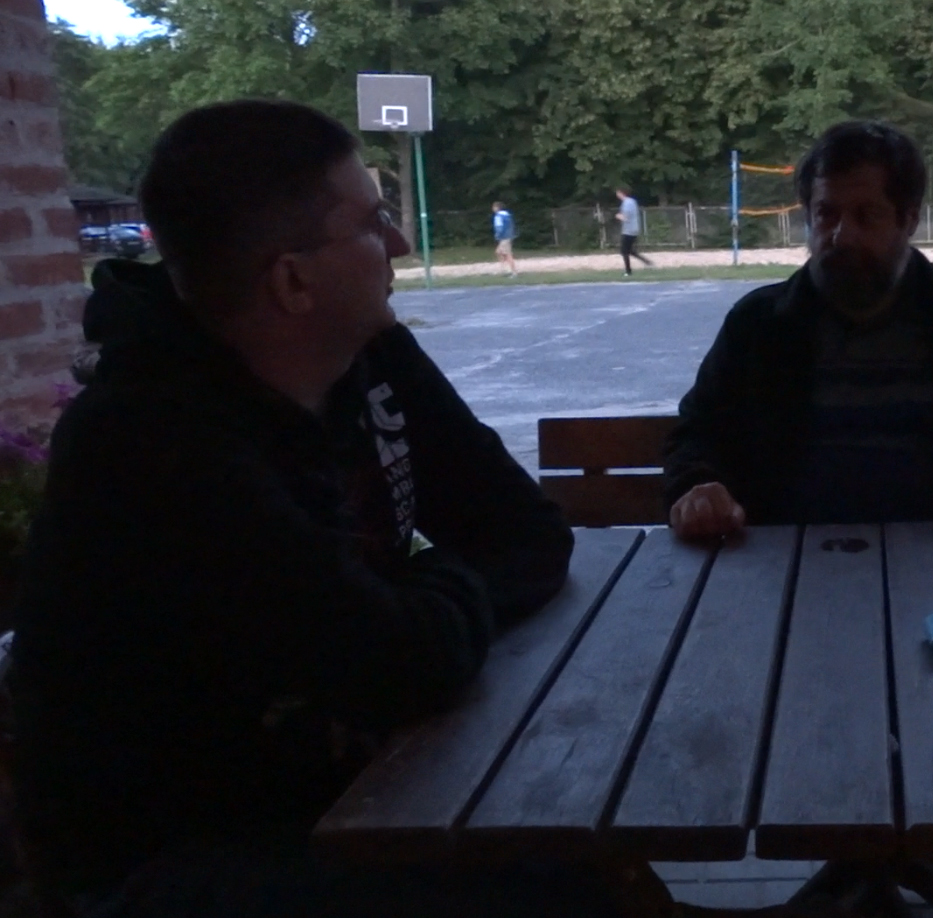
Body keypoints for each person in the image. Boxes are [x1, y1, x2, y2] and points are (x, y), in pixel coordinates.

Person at [9, 100, 605, 918]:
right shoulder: (149, 439)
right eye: (372, 223)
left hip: (347, 786)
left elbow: (527, 534)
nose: (399, 245)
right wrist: (418, 613)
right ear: (293, 282)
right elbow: (393, 663)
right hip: (175, 861)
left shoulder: (370, 354)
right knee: (549, 874)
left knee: (564, 835)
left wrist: (413, 609)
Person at [662, 120, 933, 539]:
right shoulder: (758, 324)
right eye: (826, 214)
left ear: (908, 219)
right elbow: (698, 432)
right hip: (784, 554)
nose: (841, 235)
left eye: (866, 216)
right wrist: (697, 489)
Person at [614, 188, 652, 276]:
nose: (617, 195)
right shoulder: (632, 201)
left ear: (621, 193)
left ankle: (628, 271)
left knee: (624, 251)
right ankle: (647, 262)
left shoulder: (626, 203)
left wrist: (618, 216)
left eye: (618, 193)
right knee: (629, 250)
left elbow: (626, 217)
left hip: (628, 230)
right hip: (634, 229)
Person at [491, 200, 517, 275]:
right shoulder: (507, 215)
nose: (493, 208)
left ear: (497, 208)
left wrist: (497, 235)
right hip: (509, 235)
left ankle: (513, 271)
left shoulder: (498, 216)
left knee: (507, 254)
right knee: (498, 252)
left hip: (504, 237)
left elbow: (499, 227)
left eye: (494, 207)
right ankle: (504, 269)